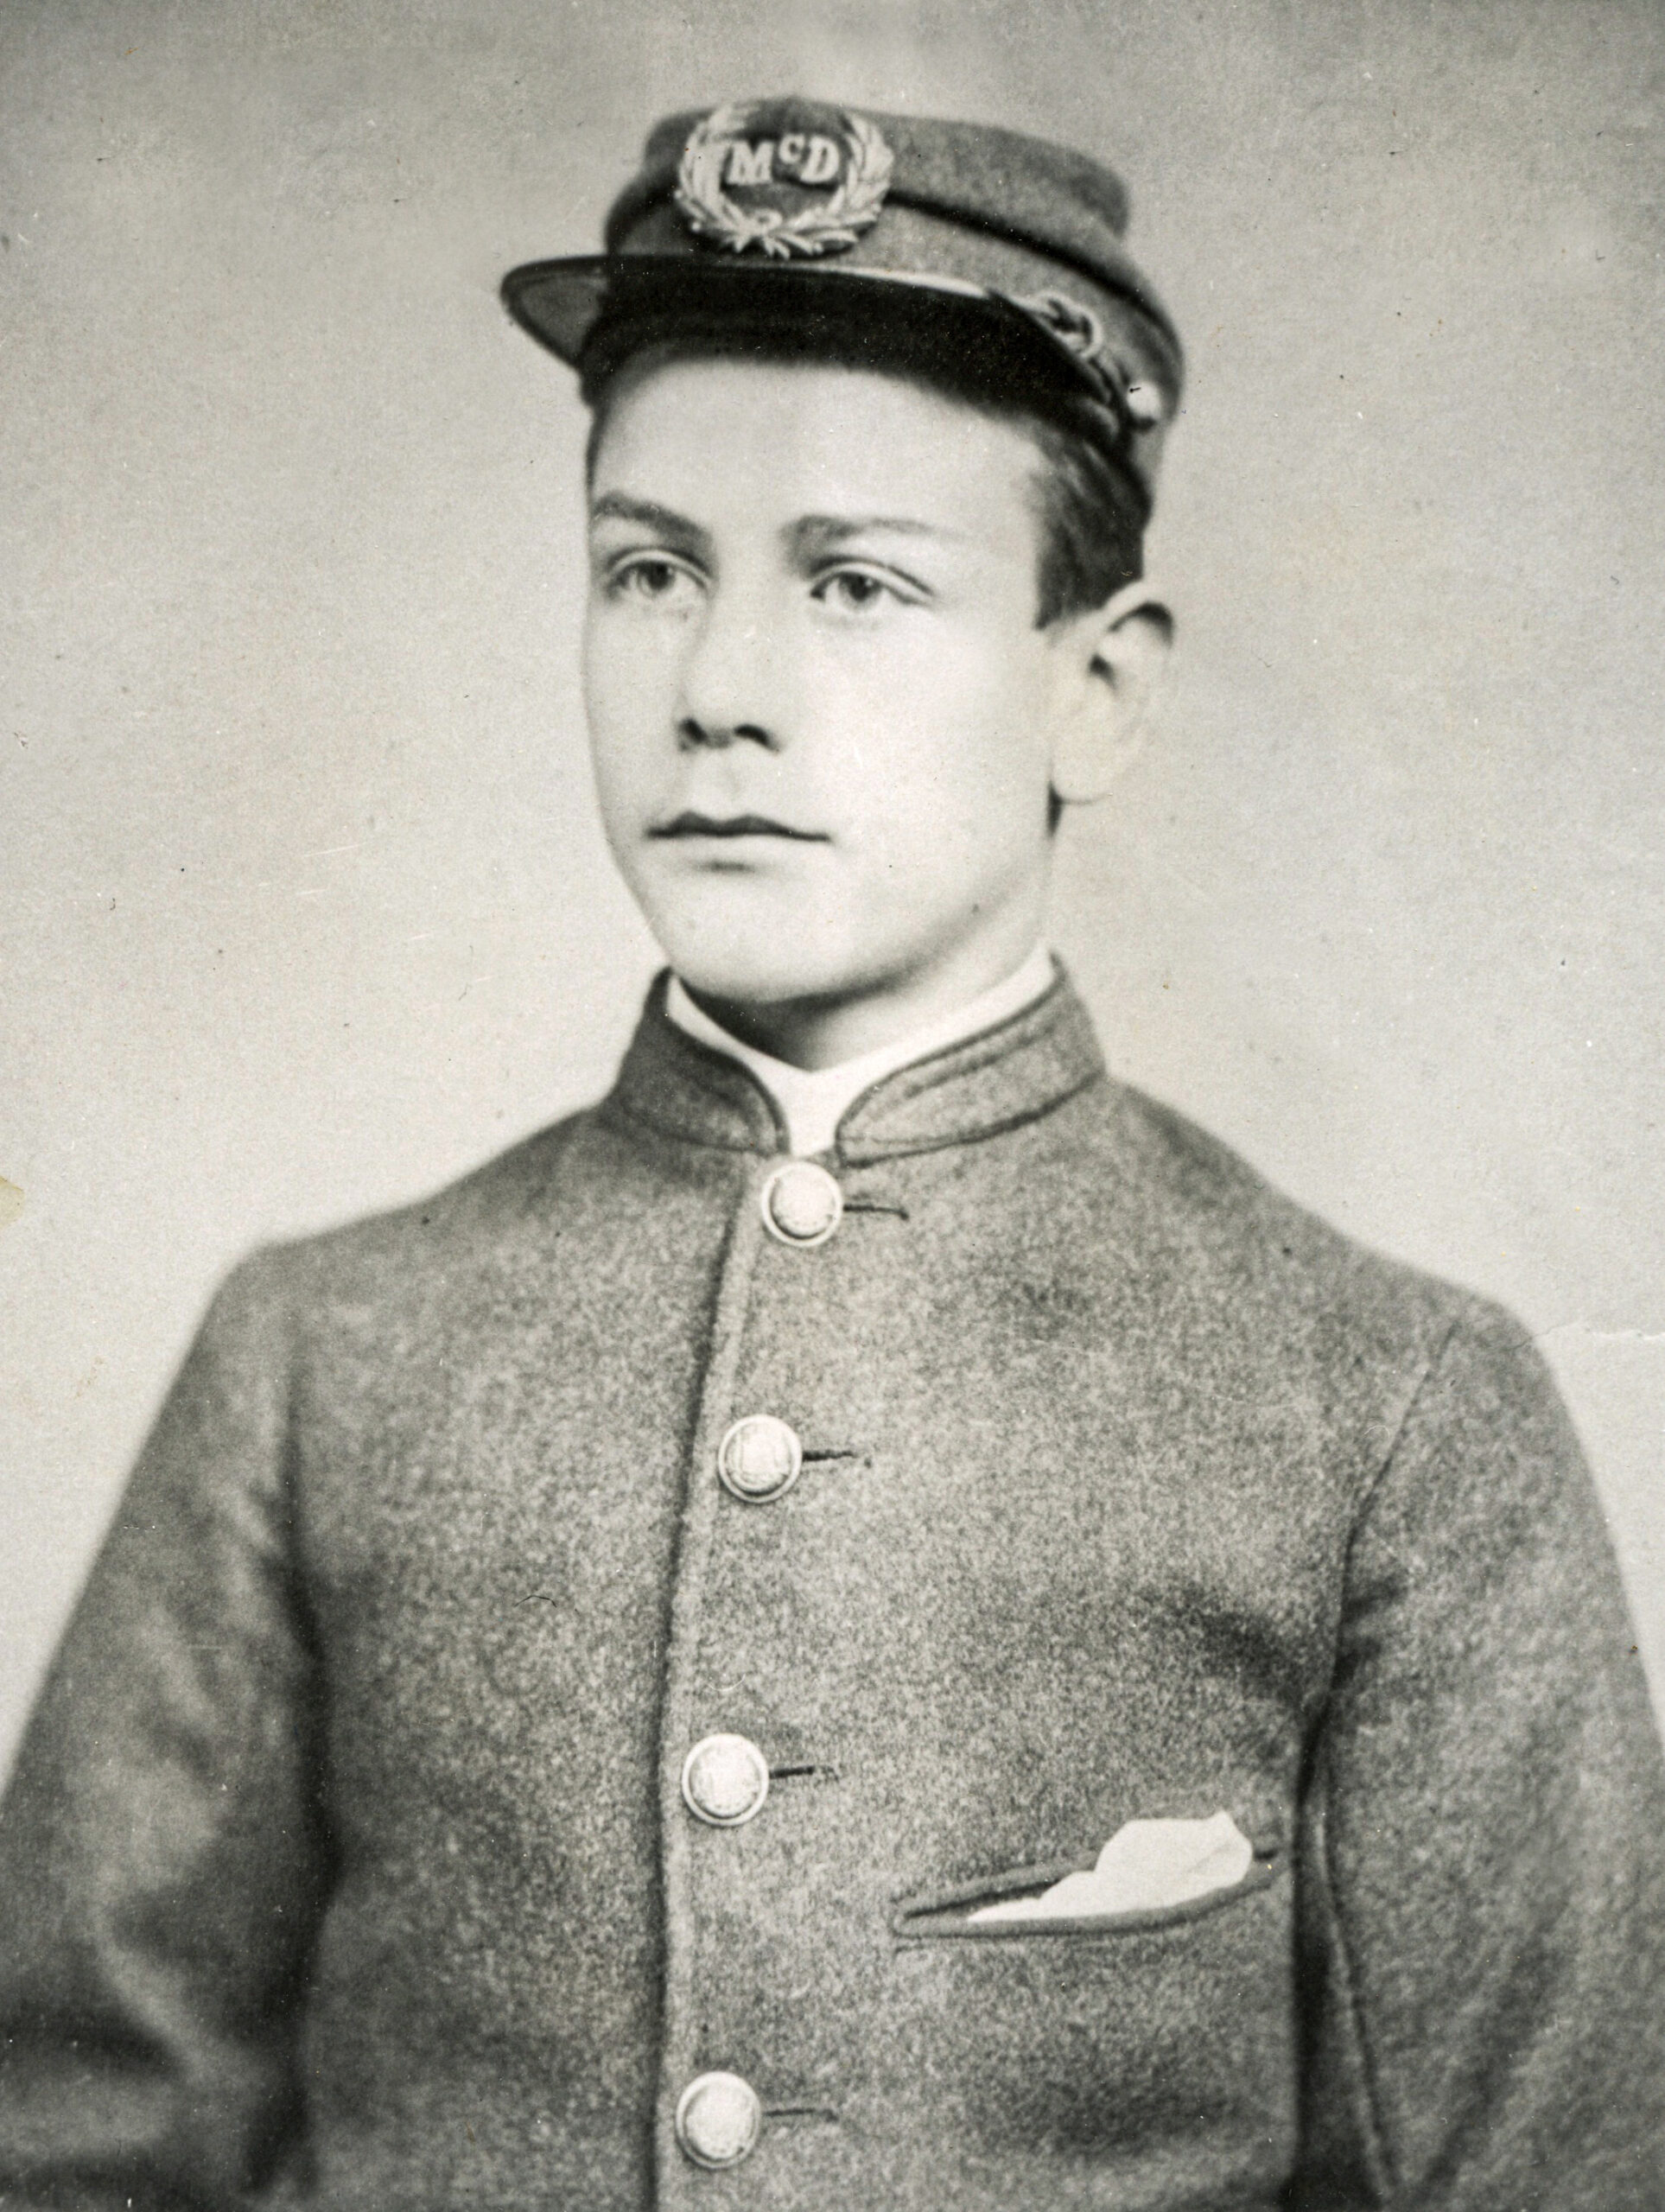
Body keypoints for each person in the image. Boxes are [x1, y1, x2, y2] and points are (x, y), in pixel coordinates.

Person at [1, 94, 1661, 2211]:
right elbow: (69, 2145)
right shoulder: (322, 1352)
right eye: (648, 570)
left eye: (858, 583)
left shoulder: (1389, 1406)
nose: (720, 687)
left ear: (1094, 690)